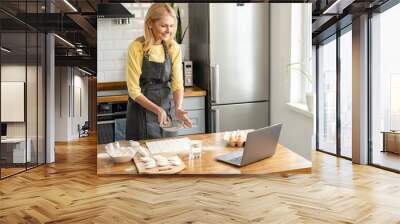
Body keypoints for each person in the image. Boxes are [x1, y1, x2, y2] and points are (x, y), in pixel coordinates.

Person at [125, 3, 192, 141]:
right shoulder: (137, 48)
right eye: (164, 26)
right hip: (141, 111)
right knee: (143, 158)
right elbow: (133, 90)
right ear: (150, 24)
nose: (169, 31)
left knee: (169, 154)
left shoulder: (173, 48)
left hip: (167, 109)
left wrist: (178, 108)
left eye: (172, 26)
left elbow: (177, 84)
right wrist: (157, 110)